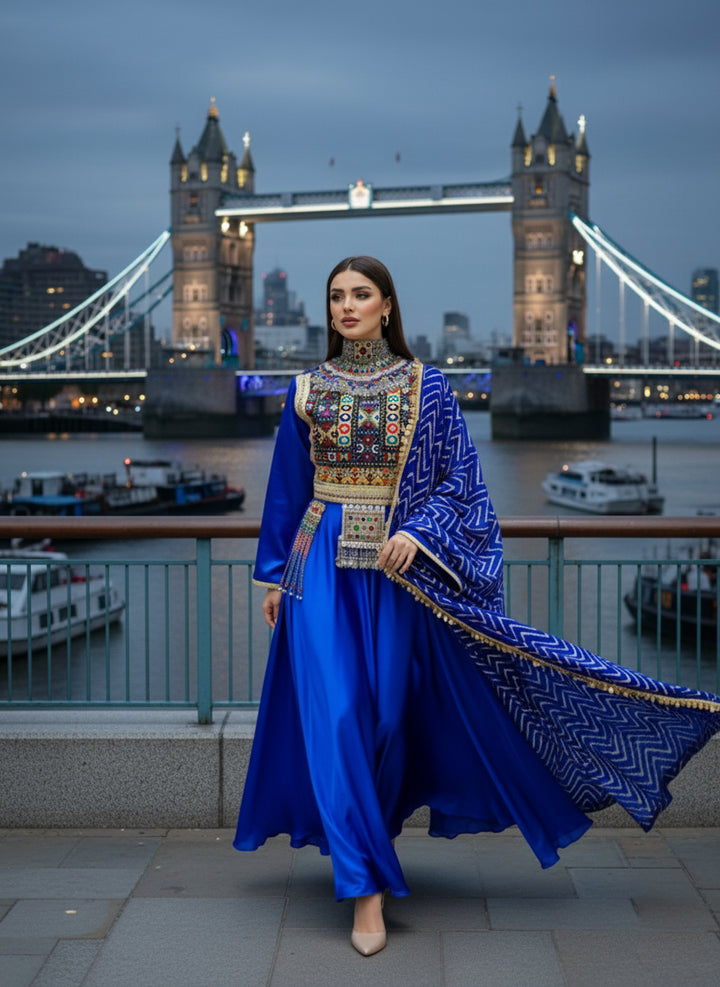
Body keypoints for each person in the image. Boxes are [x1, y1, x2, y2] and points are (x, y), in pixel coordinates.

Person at [234, 256, 720, 957]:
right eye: (336, 295)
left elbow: (462, 486)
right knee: (337, 713)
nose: (346, 306)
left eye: (360, 294)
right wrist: (277, 576)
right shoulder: (305, 389)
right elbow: (287, 489)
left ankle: (368, 826)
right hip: (320, 567)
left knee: (390, 715)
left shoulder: (428, 389)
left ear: (387, 306)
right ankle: (362, 886)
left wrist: (418, 531)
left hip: (399, 569)